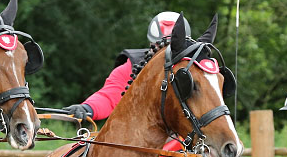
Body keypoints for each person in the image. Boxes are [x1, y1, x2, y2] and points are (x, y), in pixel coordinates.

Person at [63, 11, 192, 123]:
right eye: (160, 47)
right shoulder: (132, 67)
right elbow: (109, 96)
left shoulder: (197, 69)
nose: (165, 55)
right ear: (151, 44)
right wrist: (87, 108)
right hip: (142, 140)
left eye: (172, 48)